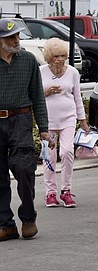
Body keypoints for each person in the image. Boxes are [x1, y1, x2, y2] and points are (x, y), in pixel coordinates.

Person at [0, 18, 52, 241]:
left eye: (18, 36)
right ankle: (6, 224)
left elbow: (38, 96)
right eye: (11, 37)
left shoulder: (29, 60)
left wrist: (44, 127)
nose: (16, 40)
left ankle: (28, 218)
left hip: (21, 120)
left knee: (24, 169)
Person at [40, 38, 90, 208]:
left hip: (68, 118)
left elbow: (77, 97)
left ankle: (66, 191)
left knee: (67, 151)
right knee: (49, 156)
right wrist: (47, 92)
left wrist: (83, 121)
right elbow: (35, 96)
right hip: (47, 120)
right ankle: (50, 193)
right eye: (56, 56)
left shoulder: (73, 73)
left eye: (63, 56)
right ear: (49, 57)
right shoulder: (40, 72)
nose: (60, 59)